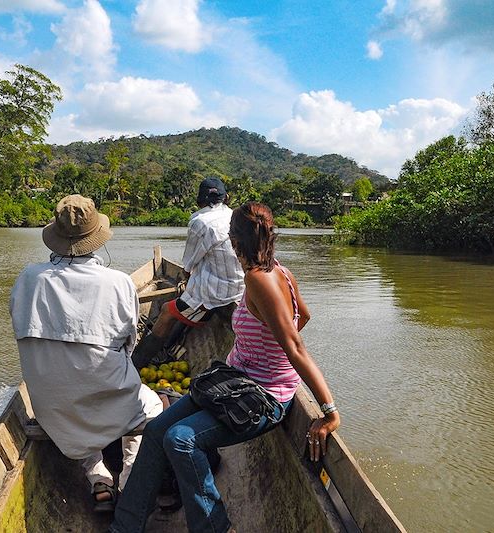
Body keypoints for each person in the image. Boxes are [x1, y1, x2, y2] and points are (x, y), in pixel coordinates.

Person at [109, 202, 341, 533]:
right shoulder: (281, 272)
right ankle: (124, 526)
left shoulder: (260, 280)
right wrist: (264, 345)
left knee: (180, 440)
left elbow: (295, 346)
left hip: (264, 397)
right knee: (159, 428)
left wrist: (329, 410)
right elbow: (303, 316)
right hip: (233, 382)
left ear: (233, 241)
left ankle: (216, 528)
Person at [9, 194, 163, 512]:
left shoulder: (27, 279)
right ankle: (130, 483)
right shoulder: (118, 283)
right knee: (149, 406)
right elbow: (127, 346)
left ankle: (98, 476)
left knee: (69, 382)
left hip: (51, 409)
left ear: (55, 238)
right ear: (96, 239)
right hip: (105, 401)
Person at [132, 177, 245, 368]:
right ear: (226, 198)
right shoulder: (235, 216)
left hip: (216, 293)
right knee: (186, 300)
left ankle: (137, 362)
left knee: (168, 310)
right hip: (239, 291)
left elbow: (188, 267)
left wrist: (187, 284)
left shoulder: (199, 221)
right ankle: (169, 346)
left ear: (199, 201)